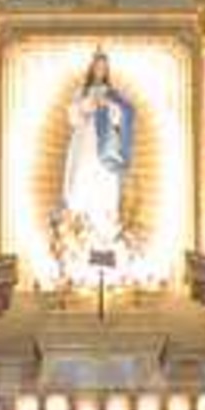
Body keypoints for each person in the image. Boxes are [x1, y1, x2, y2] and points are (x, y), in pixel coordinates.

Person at [60, 50, 134, 256]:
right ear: (91, 69)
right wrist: (90, 104)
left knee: (106, 185)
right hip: (85, 142)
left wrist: (109, 106)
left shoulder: (114, 95)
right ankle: (79, 239)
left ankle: (105, 240)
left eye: (104, 67)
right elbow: (73, 117)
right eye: (97, 66)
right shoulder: (81, 93)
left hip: (106, 147)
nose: (100, 70)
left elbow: (122, 118)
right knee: (80, 181)